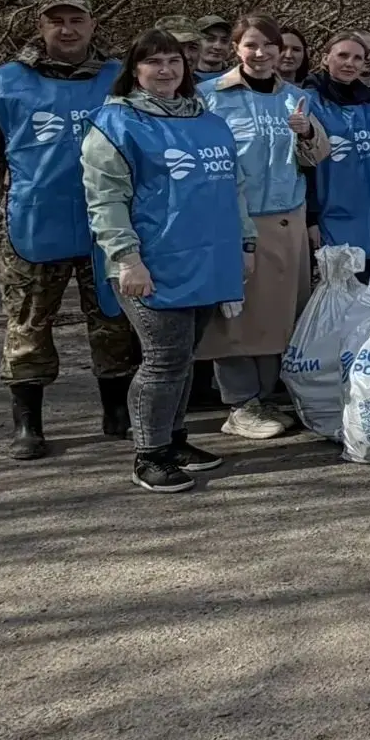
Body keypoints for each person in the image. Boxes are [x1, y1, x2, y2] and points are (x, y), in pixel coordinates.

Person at [0, 0, 139, 460]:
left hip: (110, 224)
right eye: (55, 20)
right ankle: (28, 426)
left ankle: (117, 413)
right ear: (40, 27)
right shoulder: (2, 82)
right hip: (34, 224)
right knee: (28, 324)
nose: (67, 29)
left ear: (92, 24)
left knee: (114, 319)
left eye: (75, 19)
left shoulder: (120, 78)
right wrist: (13, 196)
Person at [83, 29, 254, 492]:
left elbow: (234, 189)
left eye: (173, 61)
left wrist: (246, 244)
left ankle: (175, 440)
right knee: (163, 359)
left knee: (183, 357)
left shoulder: (209, 120)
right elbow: (106, 201)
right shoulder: (116, 124)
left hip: (209, 259)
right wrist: (126, 259)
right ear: (134, 71)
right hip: (151, 263)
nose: (165, 70)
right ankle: (149, 453)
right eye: (153, 62)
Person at [198, 15, 329, 441]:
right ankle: (239, 402)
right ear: (236, 48)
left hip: (287, 220)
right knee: (235, 317)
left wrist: (307, 132)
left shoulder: (297, 98)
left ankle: (267, 396)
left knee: (280, 314)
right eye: (251, 45)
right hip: (235, 222)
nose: (262, 53)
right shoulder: (209, 97)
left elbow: (317, 157)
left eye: (270, 45)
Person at [303, 31, 370, 272]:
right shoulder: (308, 102)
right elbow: (303, 164)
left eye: (357, 58)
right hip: (329, 214)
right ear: (326, 59)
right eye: (342, 55)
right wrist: (311, 218)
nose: (350, 63)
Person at [192, 15, 232, 82]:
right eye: (210, 39)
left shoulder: (237, 79)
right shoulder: (180, 79)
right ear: (196, 42)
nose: (218, 47)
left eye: (224, 41)